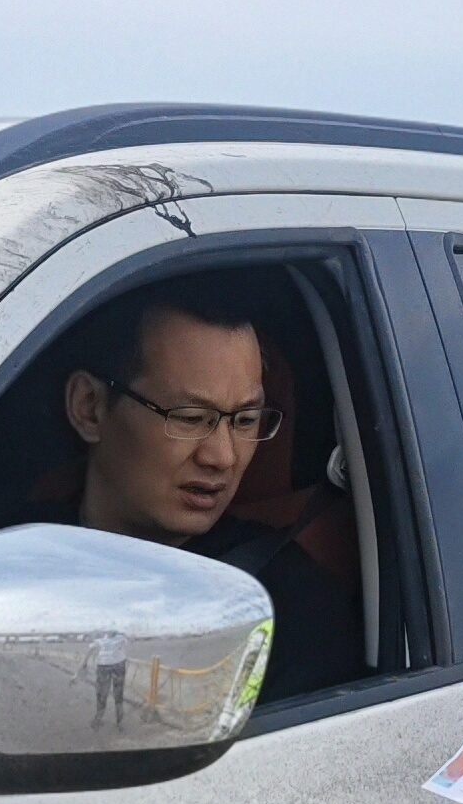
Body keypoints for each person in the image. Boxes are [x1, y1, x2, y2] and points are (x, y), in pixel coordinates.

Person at [56, 280, 365, 702]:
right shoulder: (0, 557)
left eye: (244, 421)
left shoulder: (287, 612)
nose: (222, 457)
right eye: (188, 418)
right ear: (89, 408)